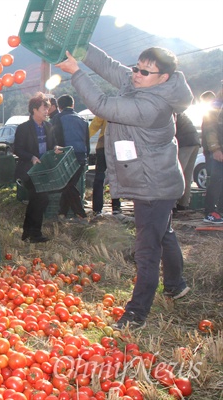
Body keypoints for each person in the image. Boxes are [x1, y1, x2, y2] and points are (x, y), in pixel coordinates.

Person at [55, 44, 193, 330]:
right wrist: (81, 47)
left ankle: (136, 313)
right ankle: (176, 285)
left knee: (147, 250)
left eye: (145, 71)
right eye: (136, 67)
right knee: (163, 233)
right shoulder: (140, 84)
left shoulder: (153, 106)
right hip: (157, 181)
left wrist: (76, 73)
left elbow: (103, 105)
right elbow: (108, 65)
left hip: (153, 187)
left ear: (163, 77)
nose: (136, 74)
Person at [14, 92, 59, 243]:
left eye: (47, 108)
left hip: (43, 170)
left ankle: (28, 232)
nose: (47, 111)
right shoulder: (23, 128)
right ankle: (34, 233)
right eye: (44, 108)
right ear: (34, 110)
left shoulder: (48, 126)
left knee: (38, 199)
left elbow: (52, 145)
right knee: (41, 198)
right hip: (29, 170)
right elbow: (17, 149)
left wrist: (56, 149)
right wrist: (31, 157)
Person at [51, 94, 89, 220]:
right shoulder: (82, 119)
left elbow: (55, 139)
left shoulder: (57, 118)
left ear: (59, 107)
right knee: (69, 184)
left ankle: (81, 213)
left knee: (67, 185)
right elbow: (87, 141)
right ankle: (62, 213)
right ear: (73, 105)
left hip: (65, 156)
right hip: (80, 156)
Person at [90, 116, 122, 215]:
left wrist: (84, 138)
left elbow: (94, 126)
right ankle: (116, 206)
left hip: (103, 144)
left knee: (99, 176)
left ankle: (97, 208)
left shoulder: (104, 108)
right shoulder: (125, 106)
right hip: (119, 144)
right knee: (116, 176)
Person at [200, 90, 223, 223]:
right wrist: (215, 149)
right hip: (216, 150)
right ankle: (210, 212)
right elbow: (210, 128)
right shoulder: (216, 105)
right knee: (216, 180)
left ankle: (220, 210)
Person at [174, 111, 201, 212]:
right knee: (186, 175)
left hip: (184, 143)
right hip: (194, 141)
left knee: (177, 174)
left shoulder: (170, 112)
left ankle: (172, 205)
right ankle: (183, 203)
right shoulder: (179, 110)